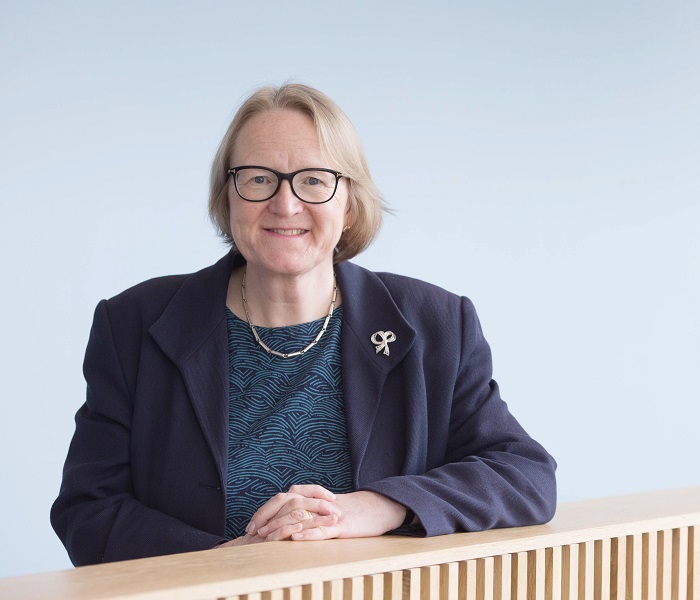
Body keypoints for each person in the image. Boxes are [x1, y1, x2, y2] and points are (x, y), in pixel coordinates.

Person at [51, 83, 557, 566]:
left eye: (314, 179)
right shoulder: (133, 325)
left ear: (350, 201)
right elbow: (87, 510)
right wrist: (222, 564)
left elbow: (526, 477)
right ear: (227, 195)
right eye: (257, 178)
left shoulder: (436, 322)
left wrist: (378, 507)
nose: (285, 204)